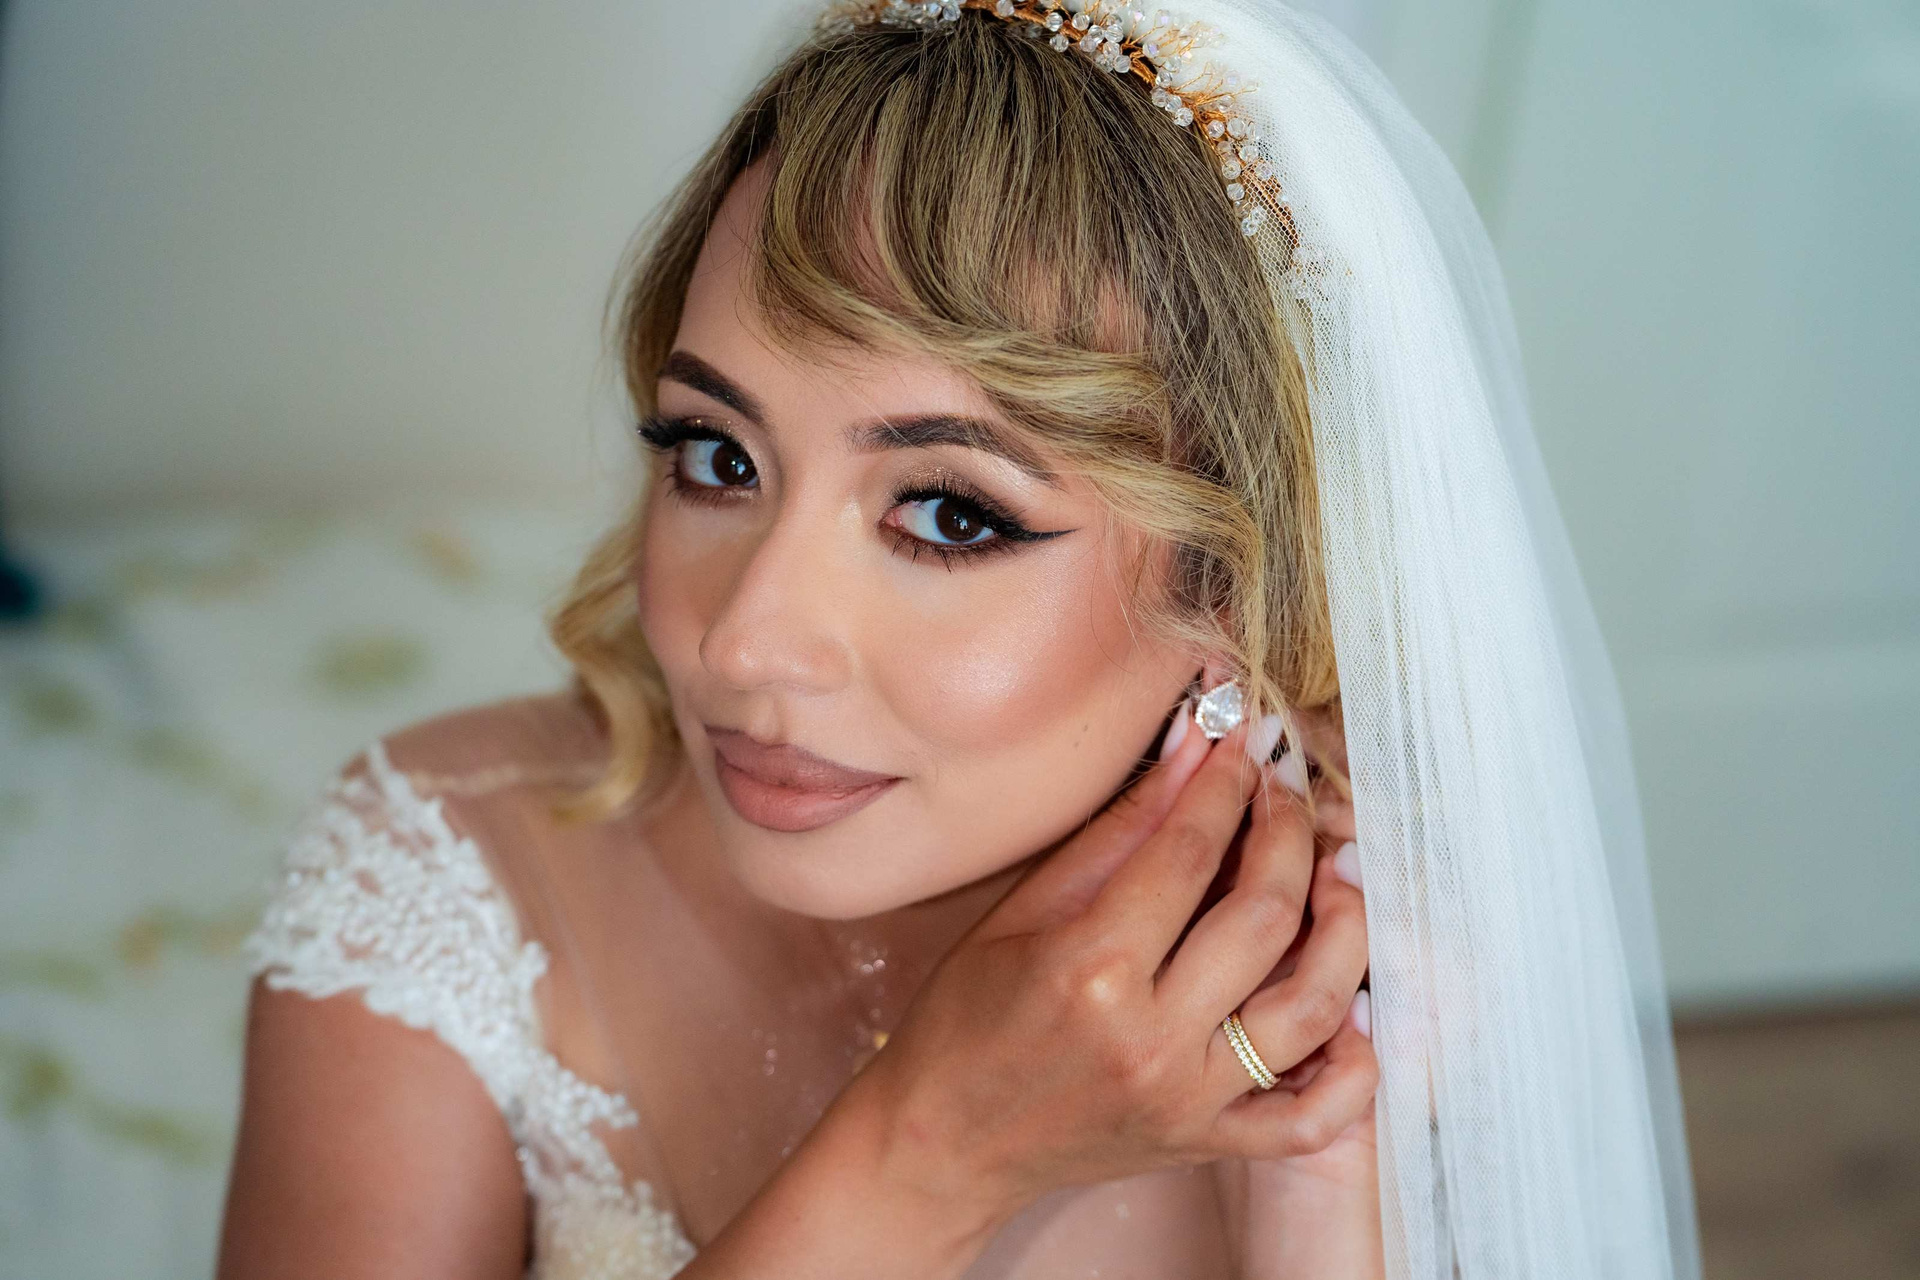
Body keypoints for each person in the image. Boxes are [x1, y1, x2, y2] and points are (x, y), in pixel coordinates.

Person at [215, 2, 1700, 1278]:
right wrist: (928, 1151)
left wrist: (1322, 1191)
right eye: (718, 458)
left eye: (949, 513)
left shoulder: (1401, 989)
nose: (747, 643)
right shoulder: (440, 884)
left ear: (1242, 593)